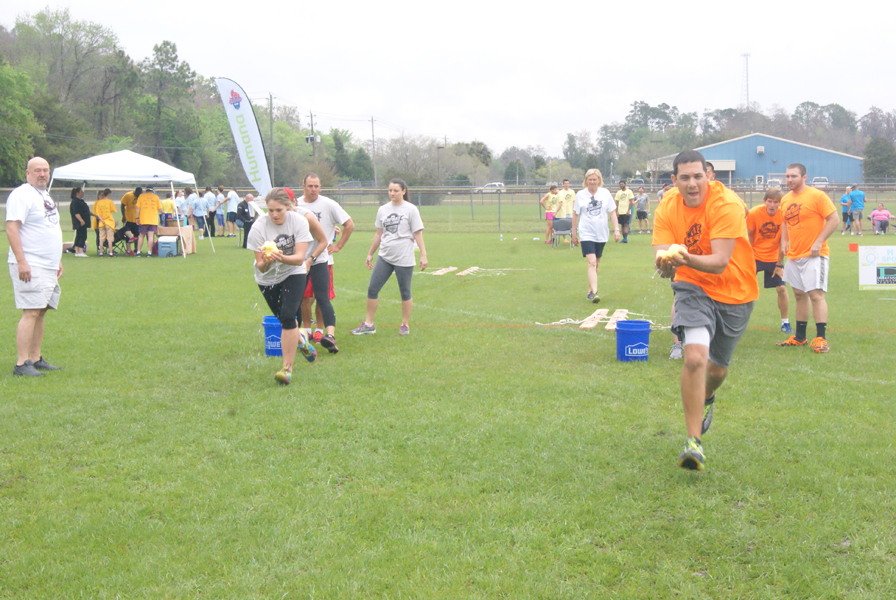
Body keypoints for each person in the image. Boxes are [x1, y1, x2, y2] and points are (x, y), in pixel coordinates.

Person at [653, 150, 758, 472]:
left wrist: (683, 258)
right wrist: (666, 265)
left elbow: (720, 261)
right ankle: (693, 442)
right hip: (693, 287)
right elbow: (662, 258)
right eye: (684, 177)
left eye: (698, 176)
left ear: (708, 176)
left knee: (717, 371)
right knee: (695, 358)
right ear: (674, 180)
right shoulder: (667, 206)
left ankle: (708, 395)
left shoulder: (726, 204)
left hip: (735, 291)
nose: (692, 184)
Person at [247, 188, 327, 384]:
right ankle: (301, 340)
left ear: (288, 207)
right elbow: (261, 267)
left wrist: (280, 257)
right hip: (267, 278)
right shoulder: (258, 228)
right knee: (286, 322)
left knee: (288, 316)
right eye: (270, 210)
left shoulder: (298, 221)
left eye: (279, 210)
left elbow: (299, 258)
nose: (274, 215)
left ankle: (287, 368)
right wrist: (267, 260)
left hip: (294, 271)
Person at [6, 157, 64, 377]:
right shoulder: (21, 194)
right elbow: (12, 229)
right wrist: (22, 261)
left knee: (40, 310)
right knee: (30, 311)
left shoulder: (44, 195)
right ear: (27, 173)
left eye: (45, 170)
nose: (42, 174)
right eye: (37, 170)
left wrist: (56, 259)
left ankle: (36, 358)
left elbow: (48, 227)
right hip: (31, 263)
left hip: (47, 264)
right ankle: (22, 364)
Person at [351, 178, 427, 336]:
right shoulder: (383, 210)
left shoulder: (411, 209)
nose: (392, 193)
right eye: (390, 190)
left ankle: (405, 324)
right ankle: (369, 324)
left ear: (403, 191)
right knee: (372, 289)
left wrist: (423, 255)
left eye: (396, 191)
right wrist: (370, 253)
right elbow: (379, 234)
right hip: (385, 256)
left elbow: (417, 233)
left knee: (405, 291)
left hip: (404, 256)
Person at [776, 163, 839, 354]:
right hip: (794, 255)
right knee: (799, 295)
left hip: (814, 255)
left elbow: (834, 219)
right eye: (787, 176)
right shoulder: (785, 199)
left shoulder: (817, 196)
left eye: (794, 176)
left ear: (804, 177)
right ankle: (800, 337)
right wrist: (784, 241)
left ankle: (821, 338)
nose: (789, 180)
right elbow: (785, 222)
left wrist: (819, 241)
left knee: (816, 295)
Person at [297, 173, 354, 350]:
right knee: (303, 298)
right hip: (300, 260)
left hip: (322, 259)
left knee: (322, 298)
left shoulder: (329, 204)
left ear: (320, 187)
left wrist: (338, 246)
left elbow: (349, 224)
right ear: (303, 186)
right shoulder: (296, 205)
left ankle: (322, 333)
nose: (313, 190)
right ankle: (306, 331)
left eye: (317, 186)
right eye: (310, 186)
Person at [571, 168, 620, 303]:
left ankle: (589, 291)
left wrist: (616, 229)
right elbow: (575, 214)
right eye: (590, 179)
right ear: (586, 181)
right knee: (591, 262)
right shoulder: (580, 195)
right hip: (586, 232)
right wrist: (573, 233)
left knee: (596, 263)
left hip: (601, 233)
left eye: (594, 179)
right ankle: (595, 292)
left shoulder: (605, 193)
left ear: (599, 180)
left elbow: (612, 212)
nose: (592, 182)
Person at [746, 187, 791, 333]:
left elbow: (783, 241)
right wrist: (748, 258)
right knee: (745, 289)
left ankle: (785, 323)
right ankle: (739, 322)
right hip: (754, 256)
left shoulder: (783, 215)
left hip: (774, 257)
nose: (772, 205)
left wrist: (779, 264)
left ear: (780, 203)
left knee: (781, 288)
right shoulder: (754, 213)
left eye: (776, 202)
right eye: (770, 201)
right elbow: (748, 236)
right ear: (764, 201)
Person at [135, 186, 162, 257]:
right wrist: (163, 212)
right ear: (152, 191)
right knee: (151, 236)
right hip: (153, 220)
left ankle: (138, 252)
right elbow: (160, 208)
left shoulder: (141, 196)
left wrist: (137, 217)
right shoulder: (156, 197)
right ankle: (149, 252)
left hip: (143, 219)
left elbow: (137, 207)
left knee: (141, 235)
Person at [94, 189, 118, 257]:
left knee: (101, 239)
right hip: (109, 222)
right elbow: (114, 210)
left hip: (101, 223)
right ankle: (110, 253)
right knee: (110, 239)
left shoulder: (99, 202)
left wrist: (102, 220)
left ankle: (101, 253)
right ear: (108, 194)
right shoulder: (110, 201)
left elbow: (98, 214)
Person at [68, 187, 91, 257]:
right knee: (83, 236)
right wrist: (81, 220)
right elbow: (76, 213)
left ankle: (77, 251)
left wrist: (95, 215)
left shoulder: (81, 201)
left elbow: (86, 211)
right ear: (77, 193)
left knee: (79, 236)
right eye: (81, 192)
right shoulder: (75, 201)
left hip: (84, 220)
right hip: (80, 222)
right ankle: (80, 251)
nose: (82, 193)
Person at [554, 179, 575, 244]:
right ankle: (565, 238)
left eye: (567, 183)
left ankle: (573, 238)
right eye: (565, 183)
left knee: (572, 225)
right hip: (563, 212)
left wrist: (574, 210)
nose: (566, 185)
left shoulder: (572, 192)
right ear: (563, 184)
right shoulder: (561, 192)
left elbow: (573, 201)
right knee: (563, 225)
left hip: (570, 211)